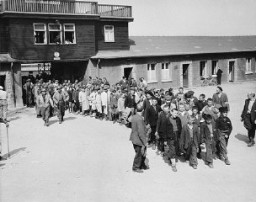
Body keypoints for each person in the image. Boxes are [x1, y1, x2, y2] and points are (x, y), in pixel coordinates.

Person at [130, 106, 148, 173]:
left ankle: (142, 165)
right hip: (138, 139)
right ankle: (136, 167)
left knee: (141, 152)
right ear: (142, 111)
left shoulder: (134, 117)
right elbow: (141, 132)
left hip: (134, 138)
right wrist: (145, 142)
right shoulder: (140, 119)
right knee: (139, 153)